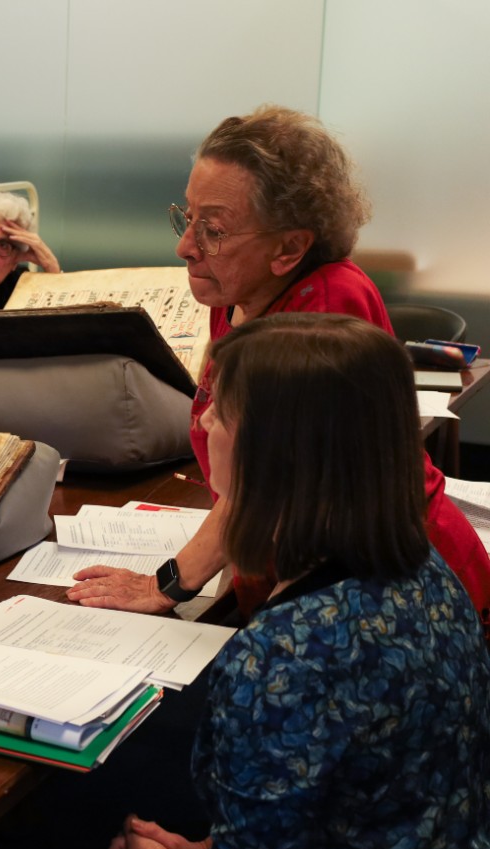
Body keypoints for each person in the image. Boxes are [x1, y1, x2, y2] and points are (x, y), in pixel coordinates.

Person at [67, 105, 490, 622]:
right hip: (292, 574)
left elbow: (268, 482)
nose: (184, 247)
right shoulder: (235, 291)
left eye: (213, 230)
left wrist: (167, 585)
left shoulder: (329, 306)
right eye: (188, 218)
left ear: (289, 247)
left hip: (378, 596)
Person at [107, 314, 490, 849]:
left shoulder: (283, 655)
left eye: (224, 408)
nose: (208, 418)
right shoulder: (425, 568)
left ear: (276, 452)